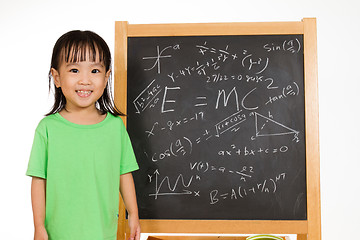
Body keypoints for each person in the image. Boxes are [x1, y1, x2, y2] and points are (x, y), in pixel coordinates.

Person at [26, 30, 141, 240]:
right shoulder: (48, 128)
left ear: (107, 77)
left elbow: (124, 174)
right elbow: (38, 180)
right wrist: (38, 226)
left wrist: (133, 214)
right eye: (75, 70)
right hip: (58, 234)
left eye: (95, 70)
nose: (85, 80)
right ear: (57, 77)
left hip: (103, 233)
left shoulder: (115, 127)